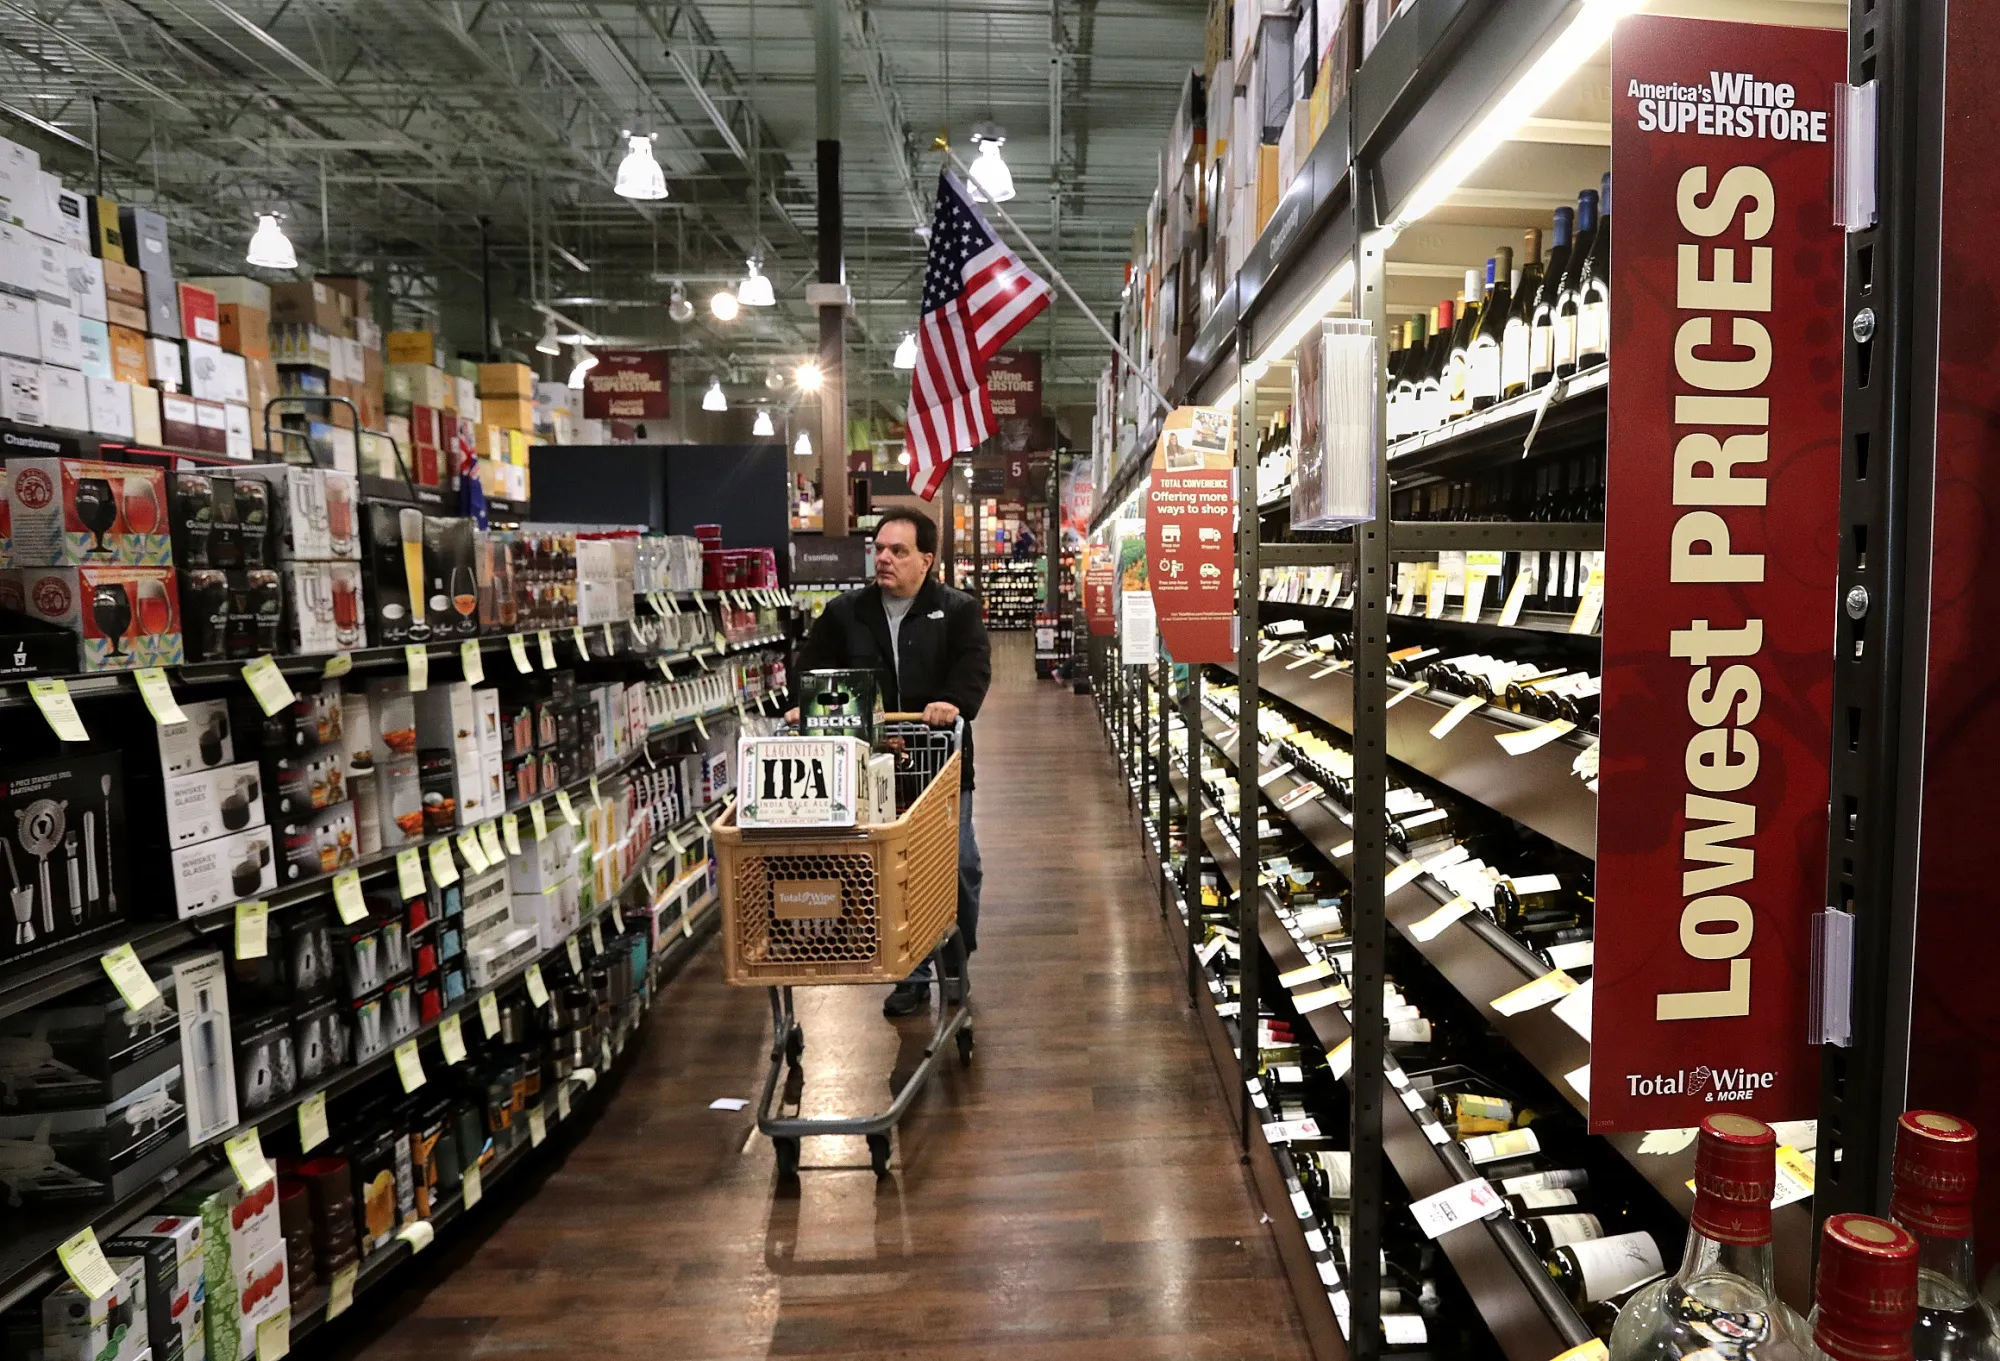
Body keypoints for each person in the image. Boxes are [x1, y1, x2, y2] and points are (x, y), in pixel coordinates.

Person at [792, 508, 992, 1017]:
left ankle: (955, 961)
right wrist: (805, 704)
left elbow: (973, 667)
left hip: (938, 762)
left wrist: (951, 702)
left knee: (958, 865)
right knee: (890, 868)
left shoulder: (957, 610)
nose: (884, 558)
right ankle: (911, 972)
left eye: (898, 551)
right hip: (871, 767)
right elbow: (811, 671)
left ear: (926, 559)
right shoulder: (846, 613)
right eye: (879, 549)